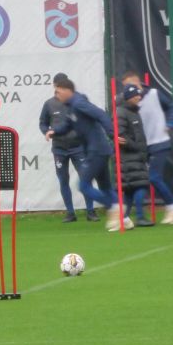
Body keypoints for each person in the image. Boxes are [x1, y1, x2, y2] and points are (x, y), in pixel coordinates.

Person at [50, 77, 131, 231]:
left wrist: (112, 133)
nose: (56, 95)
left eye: (58, 92)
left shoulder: (79, 103)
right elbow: (67, 126)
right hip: (99, 150)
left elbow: (101, 114)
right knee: (106, 188)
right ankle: (125, 219)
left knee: (83, 185)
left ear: (68, 90)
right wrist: (53, 131)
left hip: (97, 150)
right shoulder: (71, 107)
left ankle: (115, 207)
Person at [120, 71, 173, 224]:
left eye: (129, 86)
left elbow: (171, 107)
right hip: (141, 146)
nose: (126, 90)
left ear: (137, 83)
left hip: (159, 142)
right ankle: (126, 217)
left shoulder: (155, 94)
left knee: (153, 177)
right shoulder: (128, 102)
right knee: (136, 181)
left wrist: (169, 124)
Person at [39, 73, 97, 222]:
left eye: (63, 87)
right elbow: (43, 122)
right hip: (59, 149)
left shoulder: (76, 102)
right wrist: (46, 132)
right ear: (54, 86)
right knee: (63, 180)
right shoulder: (49, 104)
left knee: (85, 178)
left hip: (78, 147)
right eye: (58, 87)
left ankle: (91, 211)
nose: (60, 90)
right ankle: (70, 213)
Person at [115, 85, 153, 227]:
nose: (139, 97)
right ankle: (140, 216)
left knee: (131, 190)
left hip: (137, 156)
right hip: (129, 157)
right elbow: (121, 136)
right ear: (129, 97)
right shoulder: (122, 112)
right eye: (136, 95)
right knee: (141, 185)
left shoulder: (133, 111)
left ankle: (123, 218)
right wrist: (137, 147)